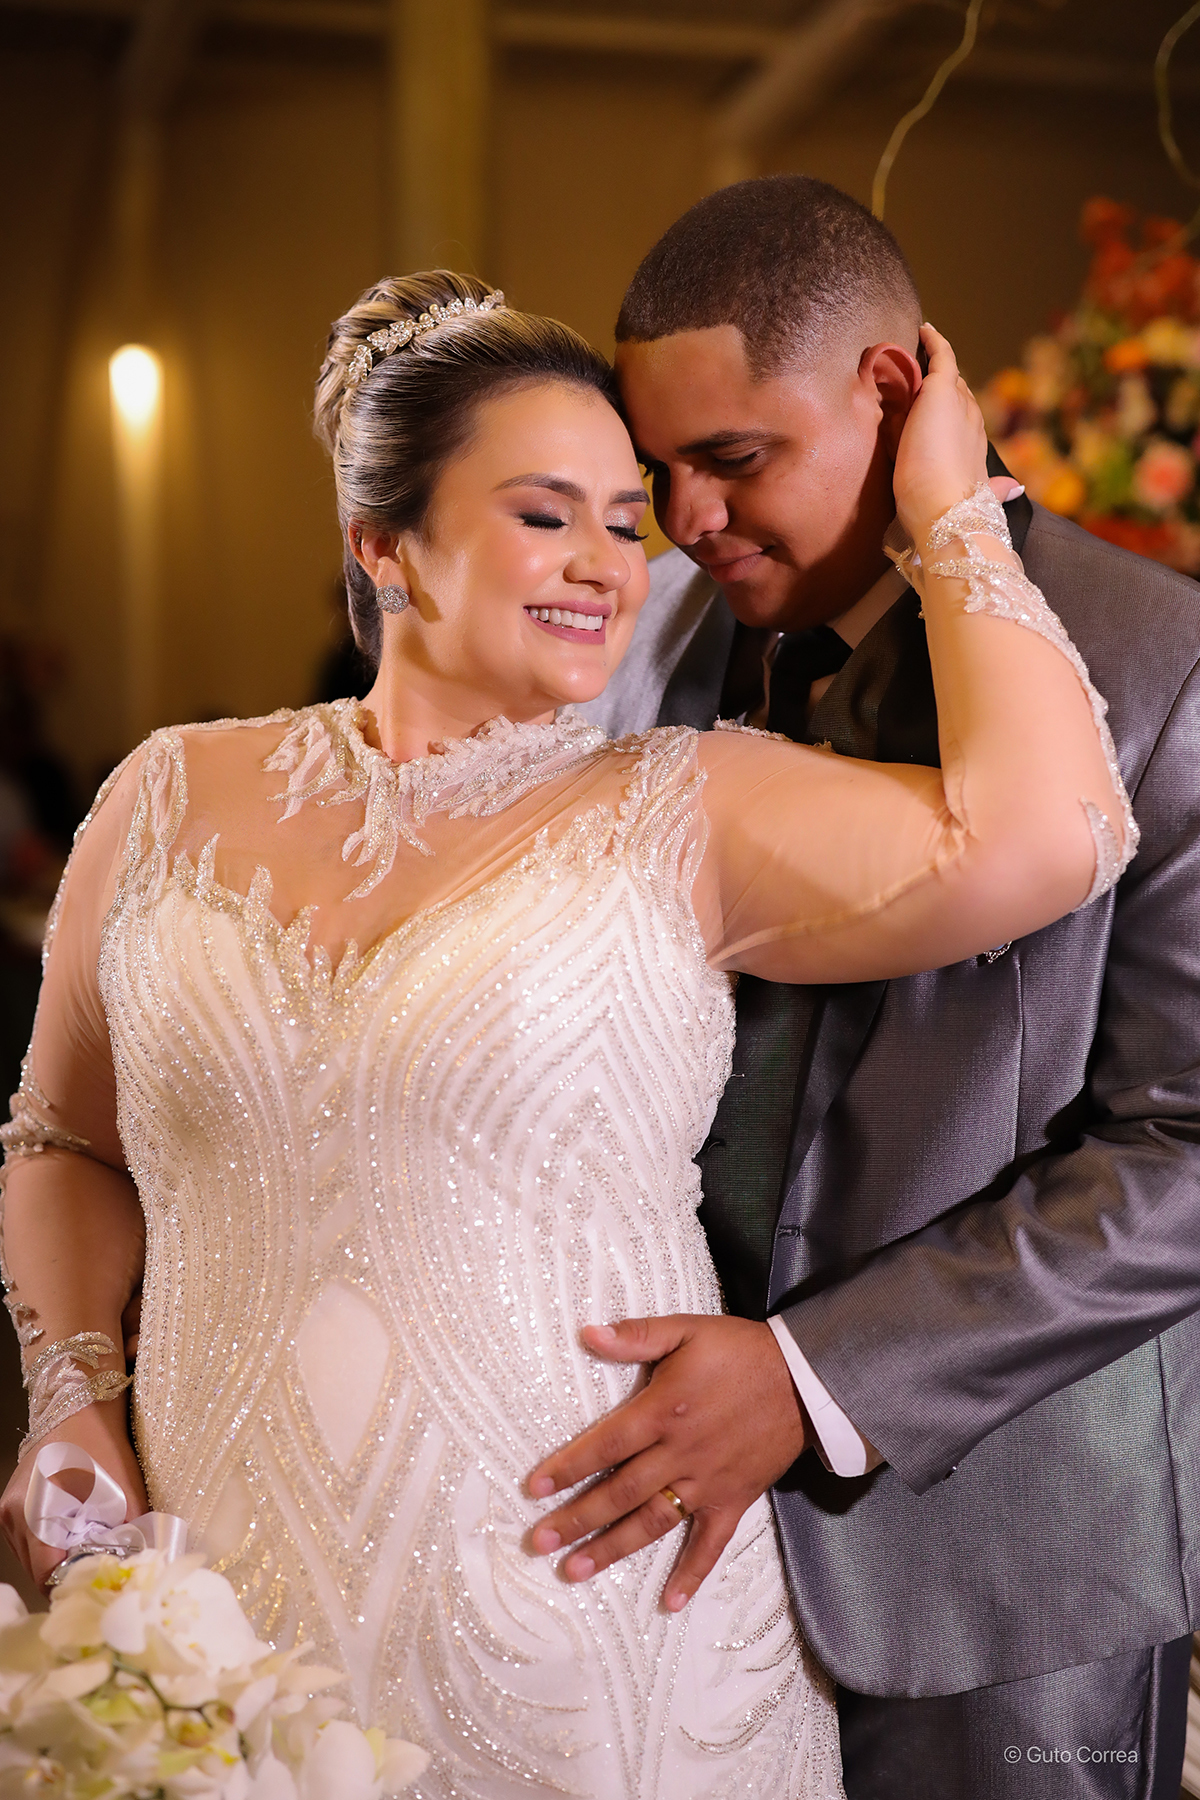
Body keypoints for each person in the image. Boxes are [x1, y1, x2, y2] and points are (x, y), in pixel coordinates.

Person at [0, 270, 1127, 1800]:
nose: (610, 562)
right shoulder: (164, 794)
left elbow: (1056, 833)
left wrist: (952, 512)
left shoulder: (693, 802)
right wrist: (71, 1397)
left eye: (622, 518)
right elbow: (66, 1142)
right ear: (382, 543)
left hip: (599, 1628)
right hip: (224, 1621)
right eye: (548, 515)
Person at [526, 175, 1200, 1799]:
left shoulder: (1160, 669)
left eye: (733, 459)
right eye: (657, 468)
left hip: (999, 1558)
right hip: (647, 1535)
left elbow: (1186, 1148)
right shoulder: (649, 649)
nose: (686, 518)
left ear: (892, 392)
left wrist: (816, 1374)